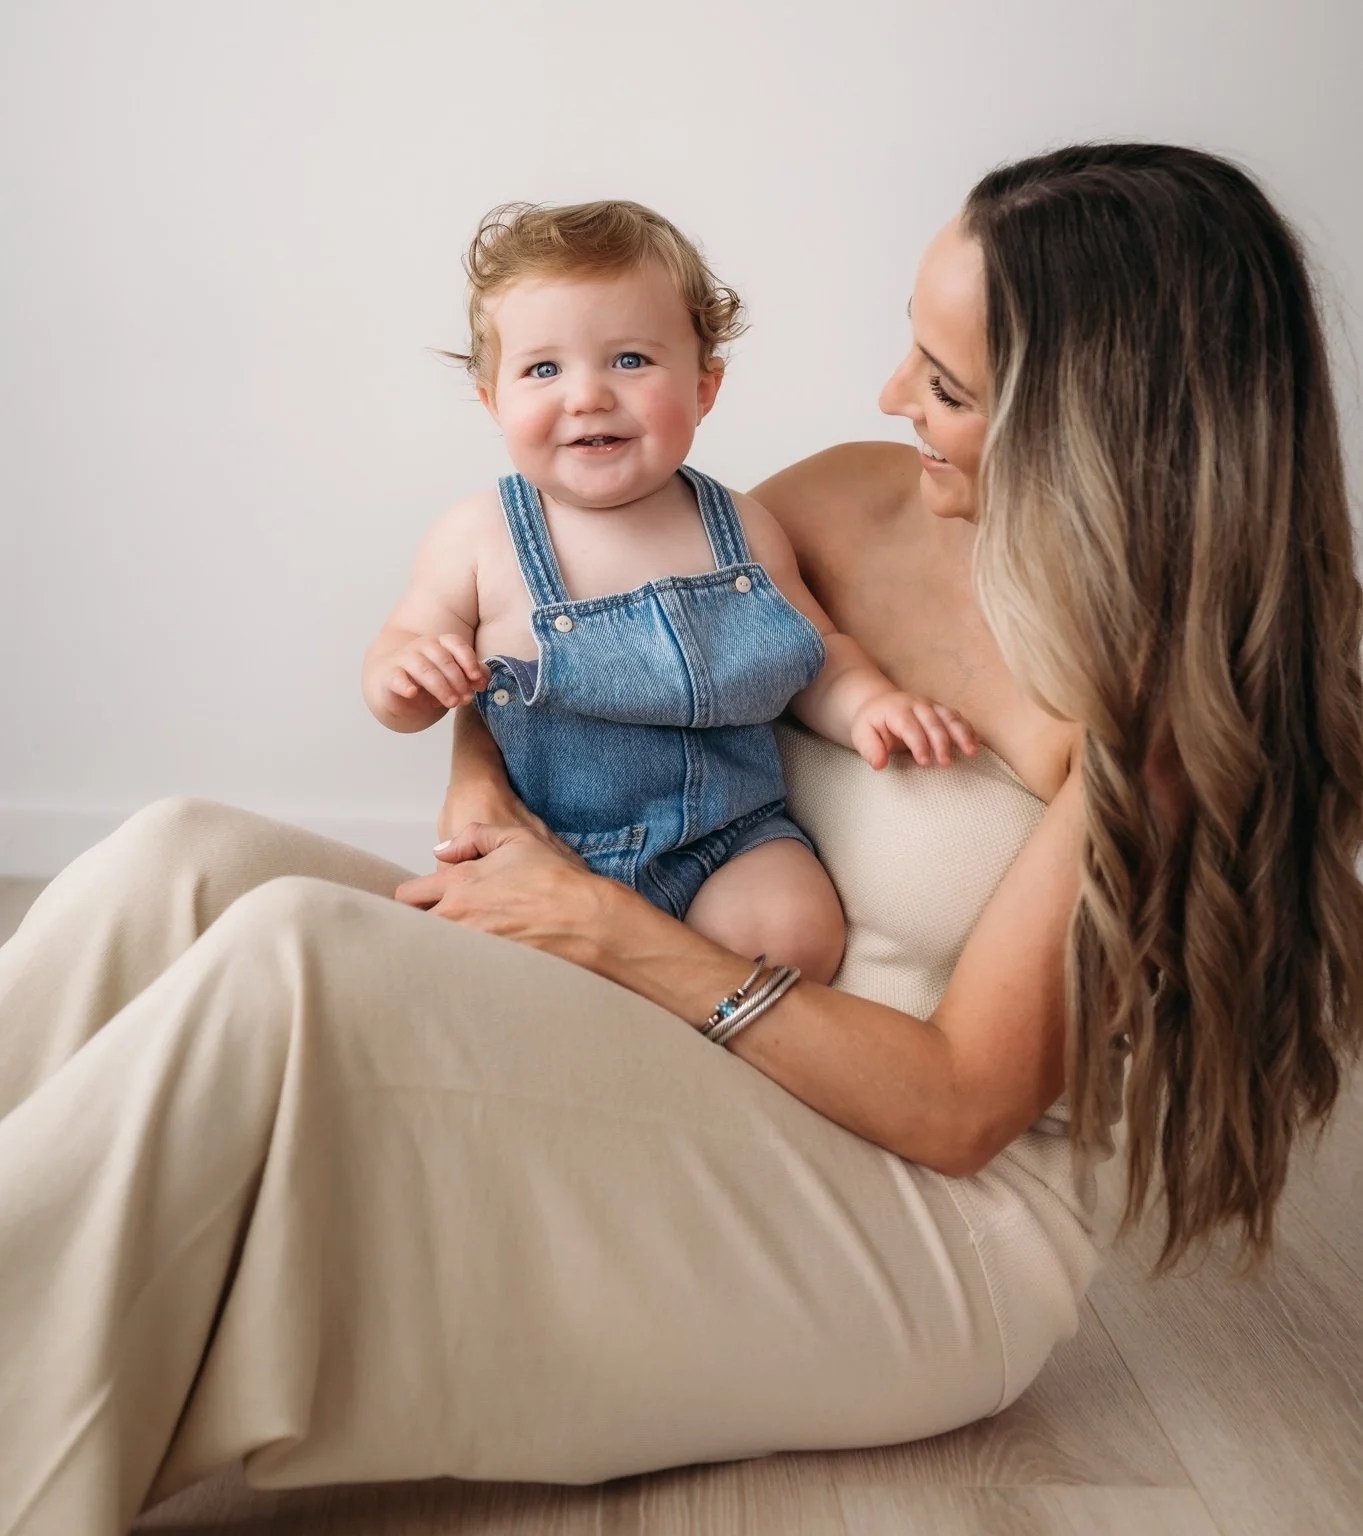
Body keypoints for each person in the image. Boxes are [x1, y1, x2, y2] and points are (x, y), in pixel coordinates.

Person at [2, 145, 1361, 1536]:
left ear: (1099, 424)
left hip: (908, 1220)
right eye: (911, 348)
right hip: (679, 1044)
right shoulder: (848, 498)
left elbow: (959, 1110)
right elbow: (591, 638)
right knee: (179, 867)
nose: (891, 394)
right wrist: (480, 771)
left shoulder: (1170, 719)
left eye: (945, 385)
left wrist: (605, 929)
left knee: (293, 962)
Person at [362, 198, 976, 982]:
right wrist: (407, 678)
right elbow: (400, 657)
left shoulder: (741, 529)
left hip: (731, 838)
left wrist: (871, 706)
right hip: (548, 851)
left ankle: (697, 1047)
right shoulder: (480, 536)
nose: (587, 395)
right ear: (493, 402)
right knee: (488, 972)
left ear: (703, 388)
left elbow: (814, 653)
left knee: (791, 930)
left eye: (630, 360)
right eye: (543, 369)